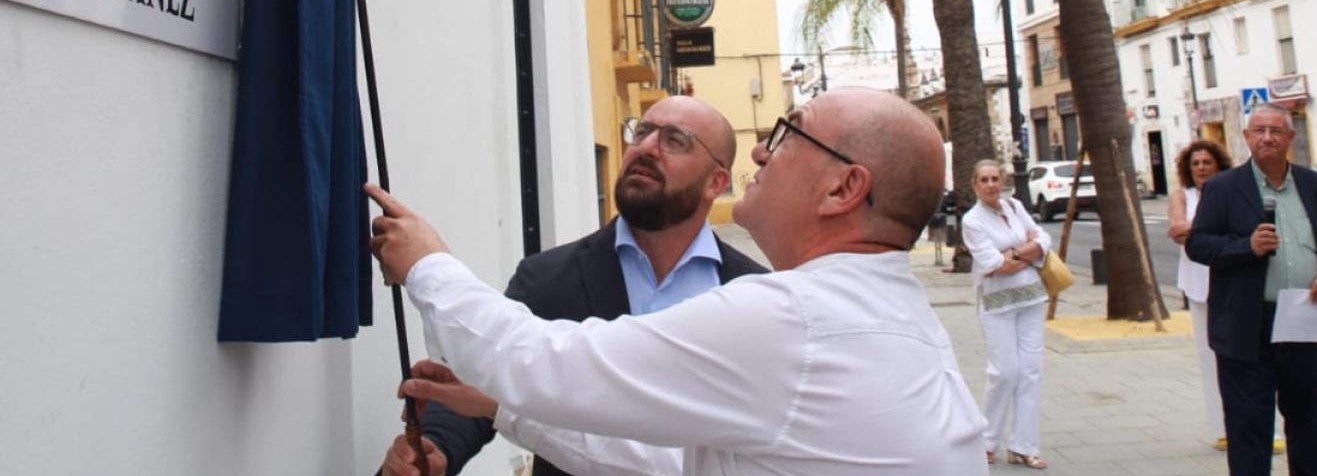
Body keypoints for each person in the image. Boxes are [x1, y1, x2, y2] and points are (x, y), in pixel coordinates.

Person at [367, 88, 987, 475]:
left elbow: (540, 361)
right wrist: (503, 409)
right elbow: (670, 460)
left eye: (787, 134)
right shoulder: (889, 317)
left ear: (844, 188)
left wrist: (427, 262)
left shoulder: (792, 319)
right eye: (644, 131)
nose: (762, 155)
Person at [374, 95, 767, 476]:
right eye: (643, 131)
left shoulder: (757, 298)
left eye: (675, 140)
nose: (646, 147)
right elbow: (487, 373)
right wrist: (438, 446)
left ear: (716, 182)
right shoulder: (549, 277)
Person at [1188, 105, 1317, 476]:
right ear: (1246, 137)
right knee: (1249, 429)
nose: (1267, 138)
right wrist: (1246, 246)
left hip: (1306, 321)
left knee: (1309, 426)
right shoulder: (1223, 188)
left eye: (1276, 131)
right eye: (1259, 130)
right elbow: (1198, 244)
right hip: (1248, 325)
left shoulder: (1314, 186)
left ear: (1290, 139)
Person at [960, 159, 1052, 469]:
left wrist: (1016, 253)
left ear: (1003, 181)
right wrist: (1027, 251)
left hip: (1031, 298)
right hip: (997, 303)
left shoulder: (1014, 206)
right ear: (975, 184)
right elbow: (993, 265)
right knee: (1004, 372)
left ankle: (1024, 446)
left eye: (994, 179)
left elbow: (1043, 239)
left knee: (1030, 371)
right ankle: (987, 440)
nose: (990, 185)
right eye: (984, 180)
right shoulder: (972, 221)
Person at [1167, 140, 1232, 451]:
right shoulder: (1183, 196)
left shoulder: (1233, 193)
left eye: (1207, 162)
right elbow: (1177, 231)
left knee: (1247, 356)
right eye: (1196, 164)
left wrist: (1197, 231)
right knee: (1209, 358)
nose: (1202, 168)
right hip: (1198, 284)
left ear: (1219, 164)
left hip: (1233, 283)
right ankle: (1221, 427)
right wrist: (1215, 231)